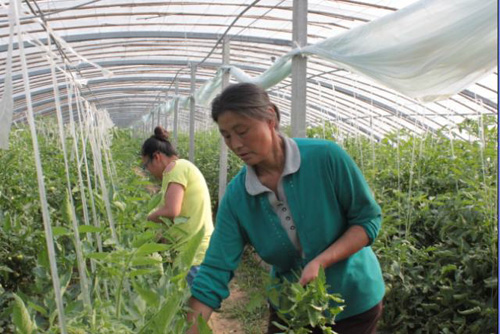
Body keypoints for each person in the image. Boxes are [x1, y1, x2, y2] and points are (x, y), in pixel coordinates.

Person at [187, 83, 384, 334]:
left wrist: (321, 262)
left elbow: (367, 220)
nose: (236, 144)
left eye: (242, 131)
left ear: (270, 117)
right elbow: (215, 268)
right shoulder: (238, 198)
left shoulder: (326, 158)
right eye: (226, 136)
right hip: (291, 307)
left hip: (352, 304)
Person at [141, 126, 214, 286]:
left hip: (192, 252)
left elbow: (171, 211)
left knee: (193, 308)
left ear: (157, 157)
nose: (148, 171)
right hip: (196, 249)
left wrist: (145, 220)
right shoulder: (183, 167)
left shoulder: (175, 169)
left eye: (146, 165)